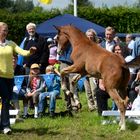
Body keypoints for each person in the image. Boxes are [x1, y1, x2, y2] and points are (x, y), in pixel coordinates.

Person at [0, 22, 36, 134]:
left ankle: (4, 126)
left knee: (6, 101)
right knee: (5, 98)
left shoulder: (11, 44)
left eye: (6, 30)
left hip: (10, 77)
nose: (5, 32)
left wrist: (30, 52)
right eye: (3, 30)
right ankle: (5, 126)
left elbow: (22, 52)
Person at [58, 43, 81, 114]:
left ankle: (74, 105)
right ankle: (68, 105)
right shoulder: (63, 38)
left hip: (73, 62)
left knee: (73, 84)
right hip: (63, 61)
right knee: (64, 84)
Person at [84, 29, 98, 111]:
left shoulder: (96, 46)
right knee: (88, 90)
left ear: (94, 37)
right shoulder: (84, 46)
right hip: (85, 70)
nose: (89, 37)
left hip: (94, 71)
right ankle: (91, 106)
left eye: (91, 36)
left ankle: (97, 105)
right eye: (88, 36)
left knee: (94, 90)